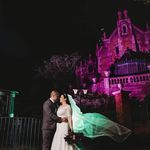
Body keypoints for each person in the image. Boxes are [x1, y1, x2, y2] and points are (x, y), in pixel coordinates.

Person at [51, 94, 132, 150]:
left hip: (65, 125)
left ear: (65, 99)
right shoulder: (60, 106)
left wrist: (71, 129)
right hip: (59, 126)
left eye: (61, 97)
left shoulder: (68, 107)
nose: (60, 98)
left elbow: (69, 118)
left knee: (66, 141)